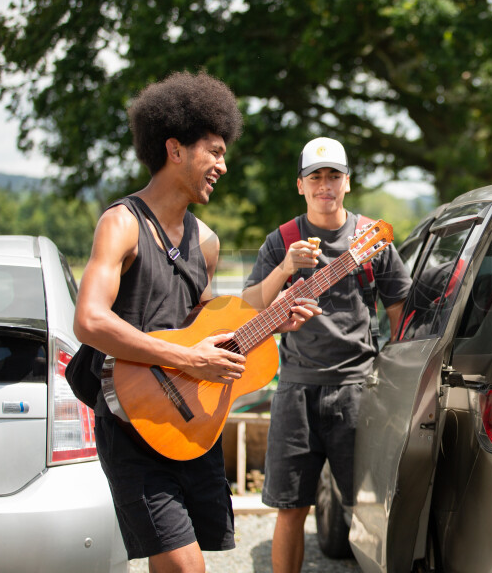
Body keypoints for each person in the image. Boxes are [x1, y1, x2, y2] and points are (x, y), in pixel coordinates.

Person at [73, 71, 321, 573]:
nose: (223, 166)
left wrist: (273, 320)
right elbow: (89, 321)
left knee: (179, 564)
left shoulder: (205, 241)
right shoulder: (121, 223)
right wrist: (189, 358)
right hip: (128, 422)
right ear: (175, 149)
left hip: (186, 423)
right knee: (188, 568)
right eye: (214, 150)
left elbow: (208, 325)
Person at [240, 136, 412, 573]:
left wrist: (394, 380)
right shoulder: (282, 241)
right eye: (315, 177)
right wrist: (285, 269)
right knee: (290, 508)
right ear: (300, 185)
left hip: (358, 392)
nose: (324, 185)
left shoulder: (372, 239)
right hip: (295, 390)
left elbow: (402, 318)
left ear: (347, 182)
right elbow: (250, 309)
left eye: (333, 176)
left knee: (368, 509)